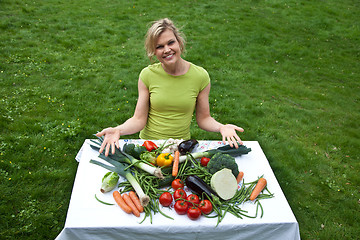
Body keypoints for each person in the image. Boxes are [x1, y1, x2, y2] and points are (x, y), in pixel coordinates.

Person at [96, 18, 244, 156]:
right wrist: (118, 130)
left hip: (180, 148)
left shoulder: (200, 76)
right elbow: (138, 119)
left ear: (179, 42)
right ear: (154, 52)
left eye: (170, 43)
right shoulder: (147, 75)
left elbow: (204, 118)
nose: (166, 50)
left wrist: (221, 127)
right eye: (159, 47)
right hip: (149, 146)